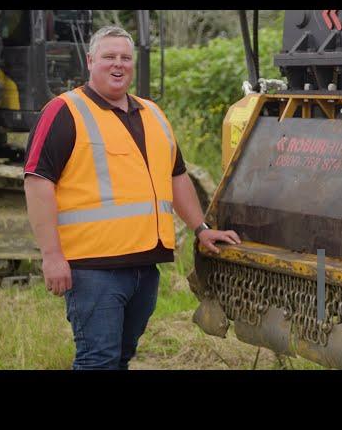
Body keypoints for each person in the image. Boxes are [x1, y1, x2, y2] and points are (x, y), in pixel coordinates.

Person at [23, 25, 240, 370]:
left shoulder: (153, 113)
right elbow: (37, 183)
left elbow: (176, 176)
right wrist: (51, 257)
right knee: (98, 360)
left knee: (121, 358)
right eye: (109, 57)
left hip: (145, 267)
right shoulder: (64, 111)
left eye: (125, 57)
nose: (118, 64)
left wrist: (200, 228)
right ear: (91, 60)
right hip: (94, 269)